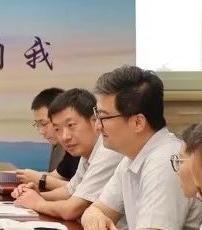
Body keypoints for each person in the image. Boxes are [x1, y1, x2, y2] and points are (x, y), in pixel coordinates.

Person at [64, 66, 202, 230]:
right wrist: (94, 217)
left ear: (138, 122)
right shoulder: (131, 156)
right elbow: (96, 210)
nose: (97, 126)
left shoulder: (165, 161)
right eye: (97, 115)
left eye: (103, 117)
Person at [11, 88, 121, 221]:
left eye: (71, 125)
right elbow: (70, 190)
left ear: (95, 121)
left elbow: (71, 209)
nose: (65, 137)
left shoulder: (108, 151)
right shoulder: (87, 153)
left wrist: (38, 203)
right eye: (57, 129)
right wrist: (35, 194)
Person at [16, 87, 79, 190]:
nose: (41, 132)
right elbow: (58, 177)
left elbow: (84, 191)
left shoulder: (86, 147)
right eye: (38, 125)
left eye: (44, 124)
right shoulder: (70, 149)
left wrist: (40, 179)